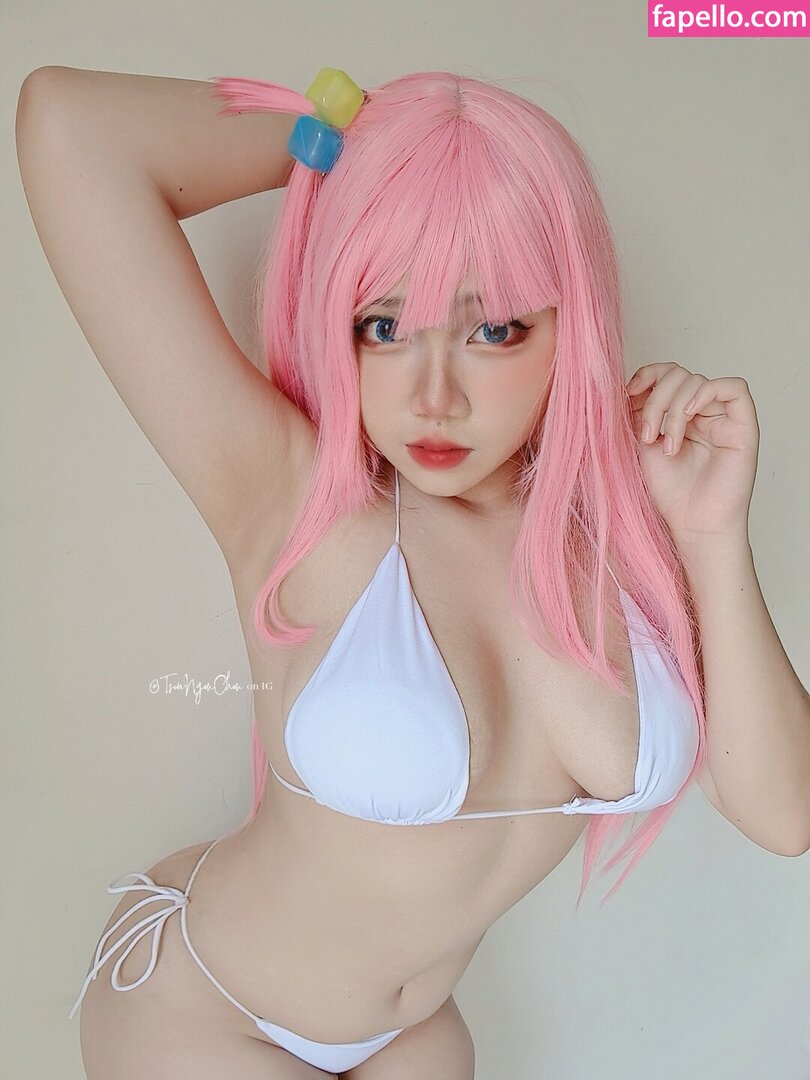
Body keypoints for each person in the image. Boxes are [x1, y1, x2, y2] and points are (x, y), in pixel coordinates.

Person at [15, 64, 808, 1079]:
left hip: (417, 1036)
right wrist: (359, 147)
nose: (434, 396)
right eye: (384, 327)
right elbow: (69, 128)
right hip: (208, 1010)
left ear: (572, 323)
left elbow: (784, 815)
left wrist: (711, 533)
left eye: (493, 330)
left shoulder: (619, 534)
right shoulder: (294, 493)